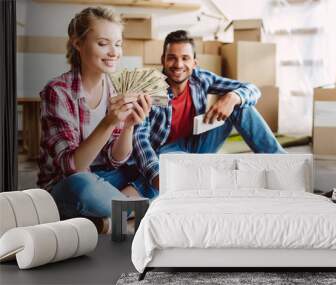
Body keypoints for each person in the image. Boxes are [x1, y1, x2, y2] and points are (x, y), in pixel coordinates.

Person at [130, 30, 285, 198]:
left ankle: (282, 165)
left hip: (200, 142)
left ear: (195, 62)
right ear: (163, 60)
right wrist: (155, 174)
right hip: (167, 153)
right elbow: (140, 138)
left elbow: (252, 89)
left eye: (185, 58)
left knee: (240, 104)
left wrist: (232, 97)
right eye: (172, 57)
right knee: (173, 175)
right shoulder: (150, 88)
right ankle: (146, 190)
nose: (178, 64)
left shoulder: (201, 78)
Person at [37, 7, 151, 232]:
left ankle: (111, 220)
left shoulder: (116, 88)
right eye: (103, 43)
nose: (114, 52)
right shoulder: (58, 91)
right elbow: (74, 167)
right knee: (85, 185)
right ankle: (136, 213)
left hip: (108, 179)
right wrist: (109, 121)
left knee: (155, 166)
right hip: (70, 184)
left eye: (118, 44)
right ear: (78, 44)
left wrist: (128, 126)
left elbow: (115, 159)